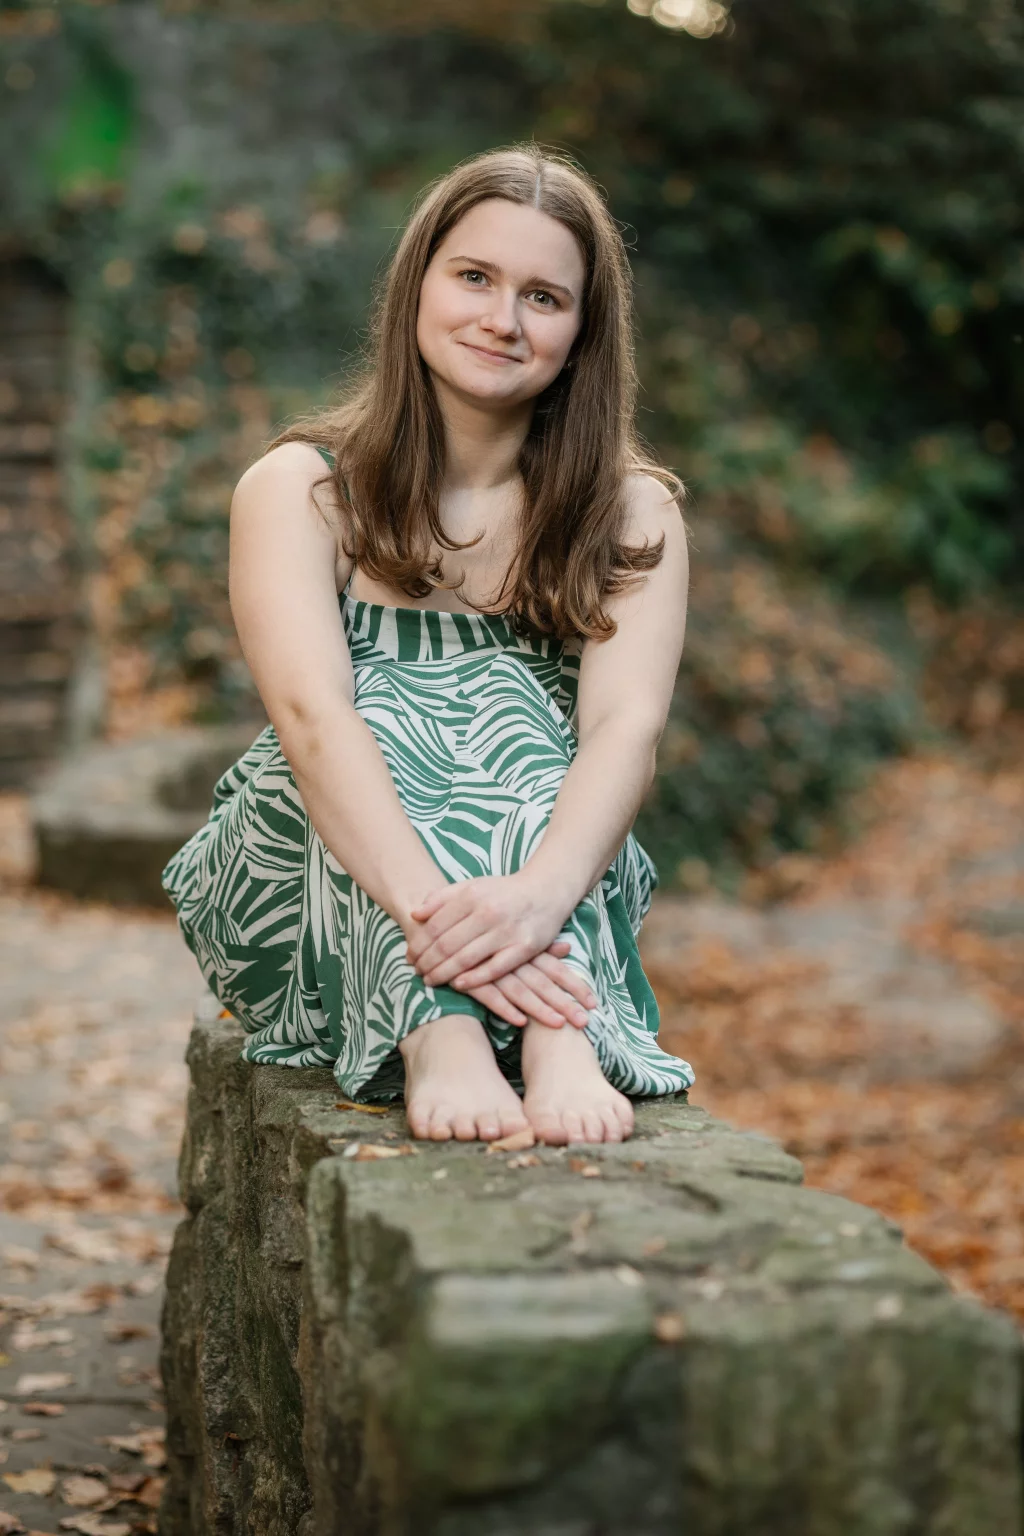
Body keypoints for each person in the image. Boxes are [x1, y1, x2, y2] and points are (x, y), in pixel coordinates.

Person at [162, 144, 693, 1146]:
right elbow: (315, 723)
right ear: (417, 286)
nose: (502, 319)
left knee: (516, 714)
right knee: (403, 702)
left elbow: (625, 732)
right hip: (318, 862)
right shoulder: (301, 490)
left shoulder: (631, 510)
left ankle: (552, 1037)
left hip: (547, 884)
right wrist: (435, 939)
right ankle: (442, 1026)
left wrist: (537, 903)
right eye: (476, 277)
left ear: (583, 332)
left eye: (543, 296)